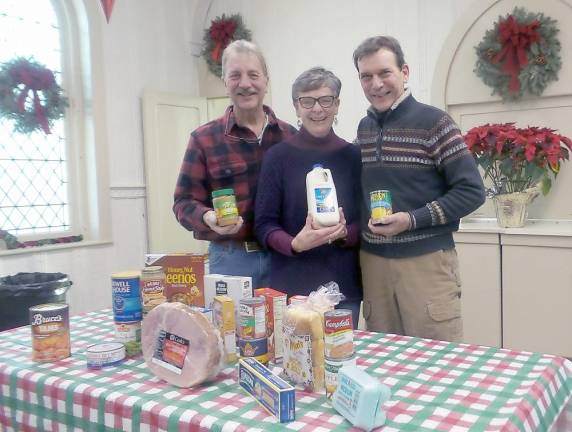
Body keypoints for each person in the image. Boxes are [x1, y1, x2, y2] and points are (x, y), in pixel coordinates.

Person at [353, 36, 485, 342]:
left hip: (425, 262)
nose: (376, 84)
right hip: (374, 265)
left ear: (405, 72)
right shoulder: (365, 128)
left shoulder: (435, 122)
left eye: (384, 73)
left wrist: (411, 220)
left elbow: (472, 191)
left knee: (437, 359)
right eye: (366, 76)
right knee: (383, 358)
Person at [173, 40, 296, 289]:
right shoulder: (204, 139)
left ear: (266, 80)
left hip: (283, 257)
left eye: (253, 75)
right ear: (225, 81)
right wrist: (207, 217)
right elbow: (182, 203)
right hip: (231, 258)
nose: (245, 84)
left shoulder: (290, 137)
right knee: (231, 328)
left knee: (286, 327)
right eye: (235, 75)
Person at [255, 67, 362, 325]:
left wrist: (345, 233)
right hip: (291, 288)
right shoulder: (277, 158)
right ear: (296, 106)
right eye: (307, 101)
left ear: (337, 105)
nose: (317, 109)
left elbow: (365, 221)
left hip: (342, 288)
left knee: (338, 359)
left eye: (326, 100)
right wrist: (295, 244)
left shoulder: (353, 157)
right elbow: (264, 225)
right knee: (292, 361)